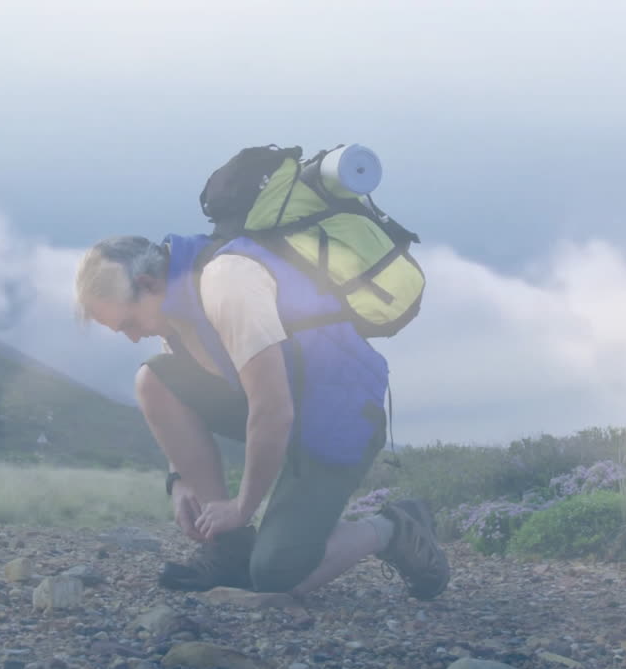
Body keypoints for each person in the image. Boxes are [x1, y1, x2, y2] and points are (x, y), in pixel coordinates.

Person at [74, 232, 449, 599]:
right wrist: (180, 478)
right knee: (154, 378)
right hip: (283, 406)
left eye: (128, 324)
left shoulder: (227, 283)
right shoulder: (173, 307)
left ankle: (393, 526)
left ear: (148, 283)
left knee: (277, 573)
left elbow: (272, 410)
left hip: (340, 419)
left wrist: (242, 507)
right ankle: (229, 549)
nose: (133, 337)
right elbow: (180, 390)